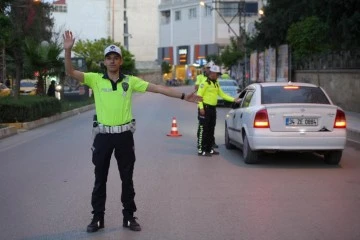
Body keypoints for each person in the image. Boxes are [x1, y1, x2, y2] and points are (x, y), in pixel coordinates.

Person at [63, 30, 201, 233]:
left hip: (124, 137)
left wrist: (183, 96)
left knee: (127, 179)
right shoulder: (95, 79)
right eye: (108, 58)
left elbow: (158, 88)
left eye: (115, 58)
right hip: (102, 137)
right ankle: (97, 219)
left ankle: (129, 217)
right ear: (104, 62)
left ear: (120, 61)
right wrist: (68, 52)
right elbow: (70, 72)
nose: (112, 61)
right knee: (100, 178)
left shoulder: (130, 81)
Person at [196, 65, 241, 156]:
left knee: (211, 129)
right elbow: (198, 96)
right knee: (204, 129)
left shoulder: (216, 83)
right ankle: (202, 150)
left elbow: (222, 95)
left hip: (212, 108)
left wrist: (234, 99)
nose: (217, 76)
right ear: (212, 73)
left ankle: (209, 148)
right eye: (216, 74)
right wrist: (201, 108)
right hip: (205, 108)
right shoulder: (204, 83)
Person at [194, 61, 218, 150]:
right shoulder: (201, 77)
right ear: (205, 69)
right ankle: (200, 143)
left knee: (211, 126)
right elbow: (196, 88)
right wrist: (202, 86)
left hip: (211, 106)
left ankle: (210, 143)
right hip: (203, 104)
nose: (209, 69)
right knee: (203, 126)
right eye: (208, 68)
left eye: (210, 68)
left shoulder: (214, 80)